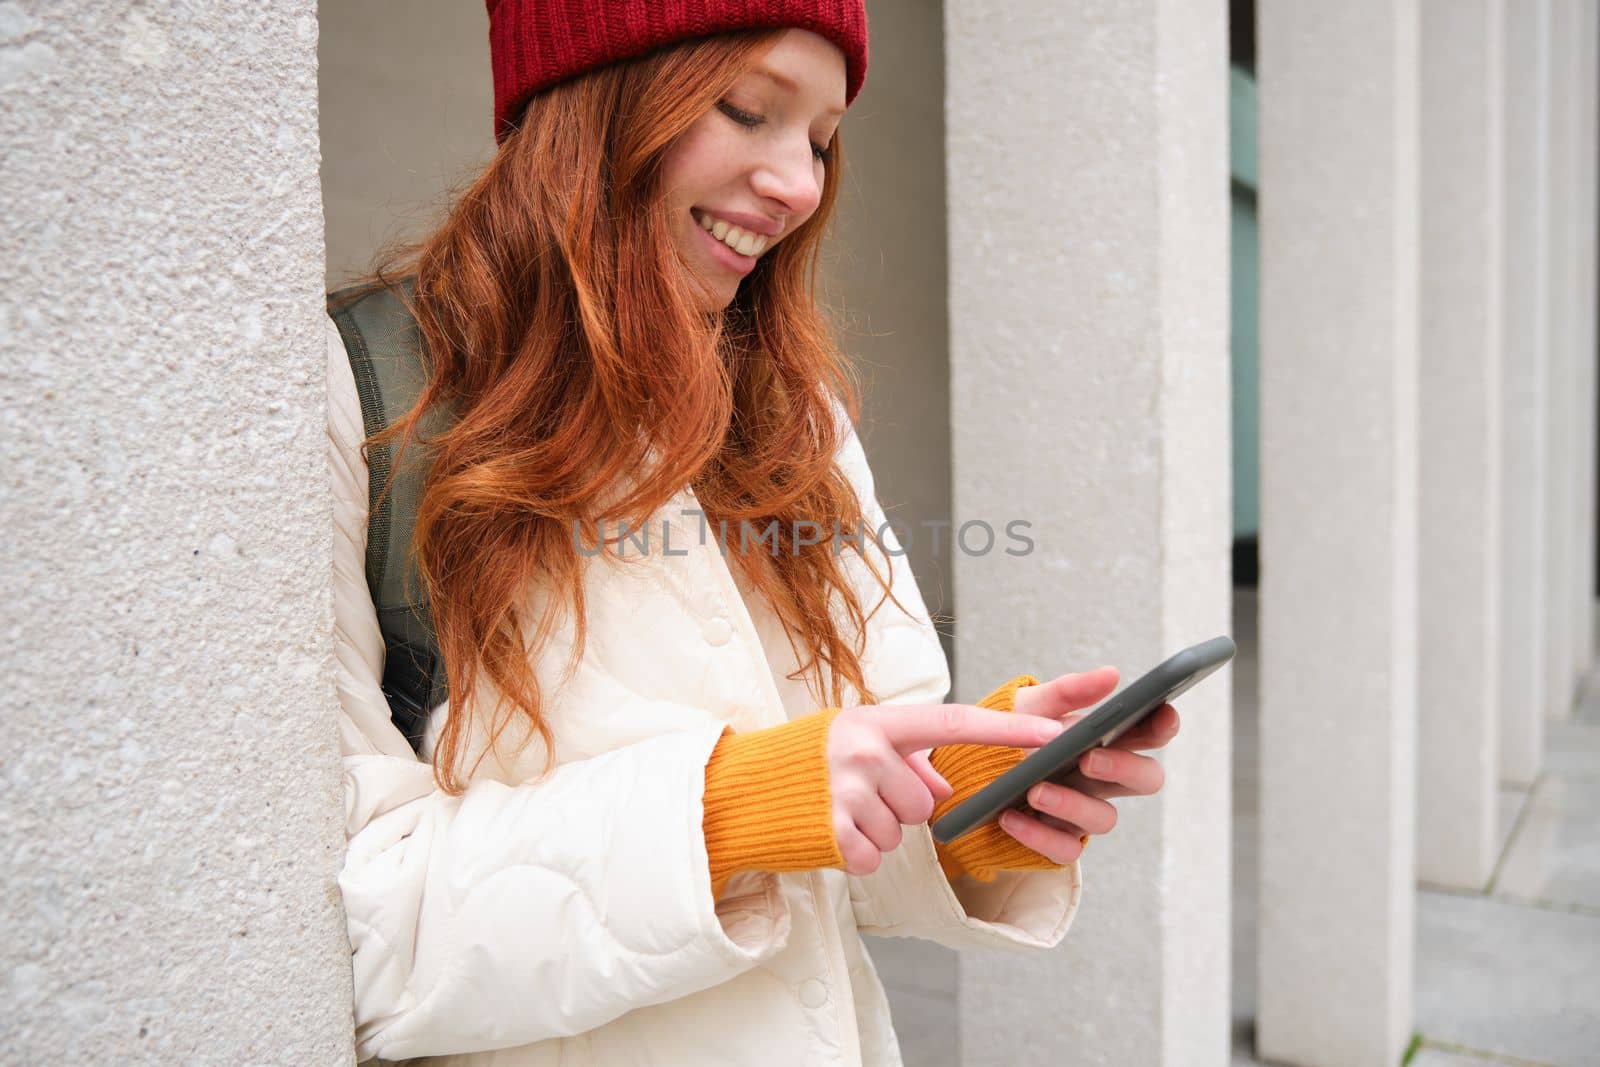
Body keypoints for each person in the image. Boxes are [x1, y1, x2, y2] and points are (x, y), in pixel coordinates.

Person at [327, 2, 1181, 1064]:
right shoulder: (362, 397)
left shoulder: (792, 409)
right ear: (590, 100)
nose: (800, 184)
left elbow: (858, 786)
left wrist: (972, 791)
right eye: (746, 110)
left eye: (821, 139)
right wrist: (727, 809)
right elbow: (340, 933)